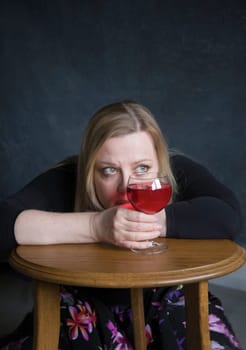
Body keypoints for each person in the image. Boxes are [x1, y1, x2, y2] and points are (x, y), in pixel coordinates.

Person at [0, 100, 242, 349]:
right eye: (108, 171)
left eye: (142, 168)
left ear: (160, 163)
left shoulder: (175, 170)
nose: (126, 186)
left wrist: (153, 221)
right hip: (81, 307)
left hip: (168, 300)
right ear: (89, 170)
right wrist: (96, 226)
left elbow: (229, 215)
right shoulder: (69, 178)